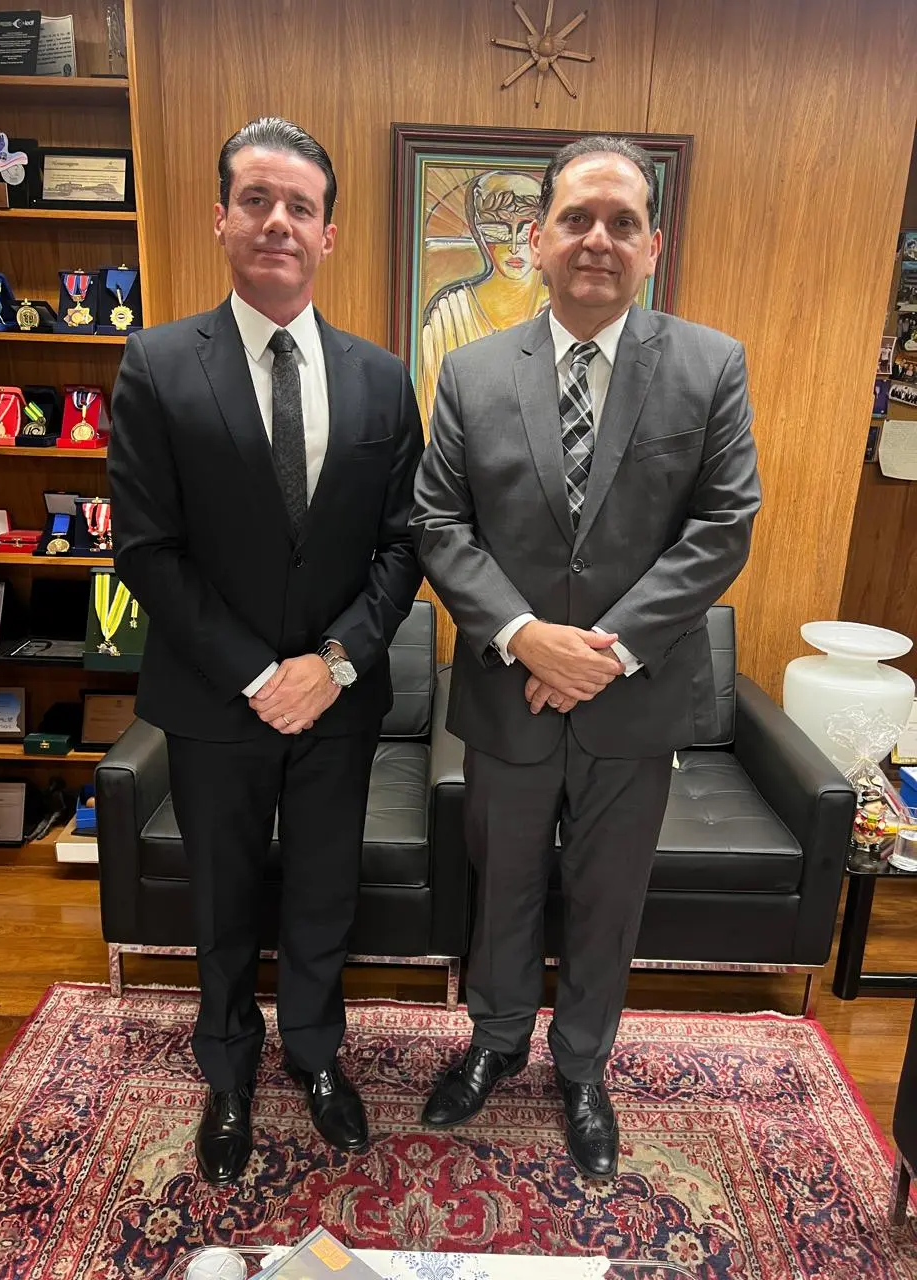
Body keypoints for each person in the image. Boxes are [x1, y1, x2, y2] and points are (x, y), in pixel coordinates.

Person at [410, 135, 760, 1179]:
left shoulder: (710, 365)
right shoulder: (471, 372)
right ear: (537, 238)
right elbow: (437, 524)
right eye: (576, 218)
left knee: (608, 898)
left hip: (632, 701)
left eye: (622, 221)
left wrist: (607, 651)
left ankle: (582, 1068)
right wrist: (525, 636)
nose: (597, 239)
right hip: (507, 694)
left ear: (654, 244)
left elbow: (723, 526)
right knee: (503, 886)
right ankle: (495, 1041)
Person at [108, 116, 424, 1186]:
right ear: (221, 218)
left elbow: (403, 545)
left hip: (339, 699)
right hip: (214, 699)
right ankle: (230, 1074)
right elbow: (146, 548)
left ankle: (317, 1057)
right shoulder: (157, 365)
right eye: (256, 199)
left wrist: (330, 664)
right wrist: (256, 672)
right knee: (224, 899)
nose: (278, 220)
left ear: (328, 233)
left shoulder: (383, 379)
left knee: (325, 891)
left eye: (300, 206)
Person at [419, 170, 548, 422]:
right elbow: (432, 418)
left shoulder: (559, 314)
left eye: (525, 232)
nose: (513, 246)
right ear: (478, 232)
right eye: (497, 231)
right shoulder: (450, 316)